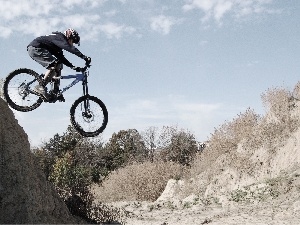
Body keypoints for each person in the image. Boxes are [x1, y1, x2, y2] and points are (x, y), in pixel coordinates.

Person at [27, 28, 91, 101]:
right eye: (72, 41)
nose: (72, 44)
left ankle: (55, 91)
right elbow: (70, 48)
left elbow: (62, 58)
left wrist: (74, 67)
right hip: (36, 48)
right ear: (69, 36)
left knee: (59, 65)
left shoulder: (59, 44)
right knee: (53, 65)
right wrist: (84, 57)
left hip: (36, 49)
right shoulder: (59, 38)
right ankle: (40, 86)